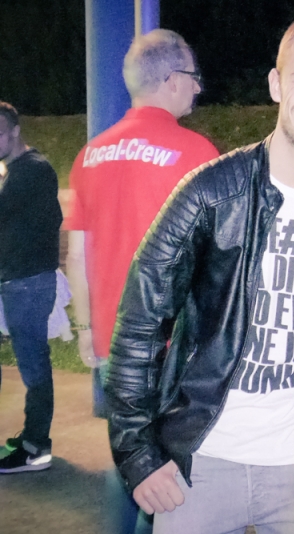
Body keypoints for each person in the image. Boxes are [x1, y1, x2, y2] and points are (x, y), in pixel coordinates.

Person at [105, 13, 294, 534]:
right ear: (276, 84)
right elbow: (140, 322)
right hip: (199, 462)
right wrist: (137, 453)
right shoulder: (209, 194)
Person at [63, 28, 218, 533]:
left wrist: (86, 329)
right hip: (171, 346)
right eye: (193, 77)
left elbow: (78, 254)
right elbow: (215, 261)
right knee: (171, 476)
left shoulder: (90, 153)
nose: (197, 88)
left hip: (113, 342)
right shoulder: (196, 153)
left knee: (128, 455)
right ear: (172, 80)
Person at [0, 102, 62, 473]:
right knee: (32, 363)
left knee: (34, 366)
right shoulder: (19, 170)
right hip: (21, 281)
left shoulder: (32, 170)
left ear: (15, 130)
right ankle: (31, 437)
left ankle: (36, 446)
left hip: (27, 284)